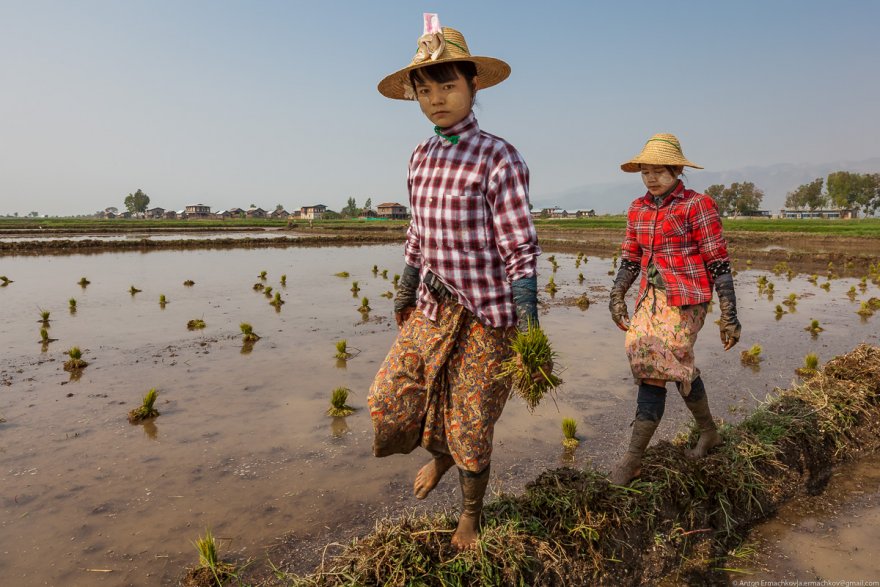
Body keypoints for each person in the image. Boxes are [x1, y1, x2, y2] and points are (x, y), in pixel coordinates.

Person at [369, 13, 541, 550]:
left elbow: (519, 244)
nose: (437, 99)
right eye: (426, 90)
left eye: (448, 85)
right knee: (389, 396)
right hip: (434, 304)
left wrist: (529, 322)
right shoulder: (420, 157)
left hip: (489, 313)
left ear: (472, 86)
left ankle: (469, 514)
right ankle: (440, 453)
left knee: (471, 418)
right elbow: (418, 231)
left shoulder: (498, 156)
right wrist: (405, 286)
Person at [608, 133, 741, 485]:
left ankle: (633, 458)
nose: (651, 178)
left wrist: (729, 314)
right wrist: (616, 295)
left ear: (677, 170)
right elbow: (630, 256)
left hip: (687, 298)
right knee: (651, 356)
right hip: (651, 298)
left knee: (659, 360)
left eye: (659, 171)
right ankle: (709, 432)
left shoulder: (697, 205)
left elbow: (718, 262)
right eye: (645, 172)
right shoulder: (637, 208)